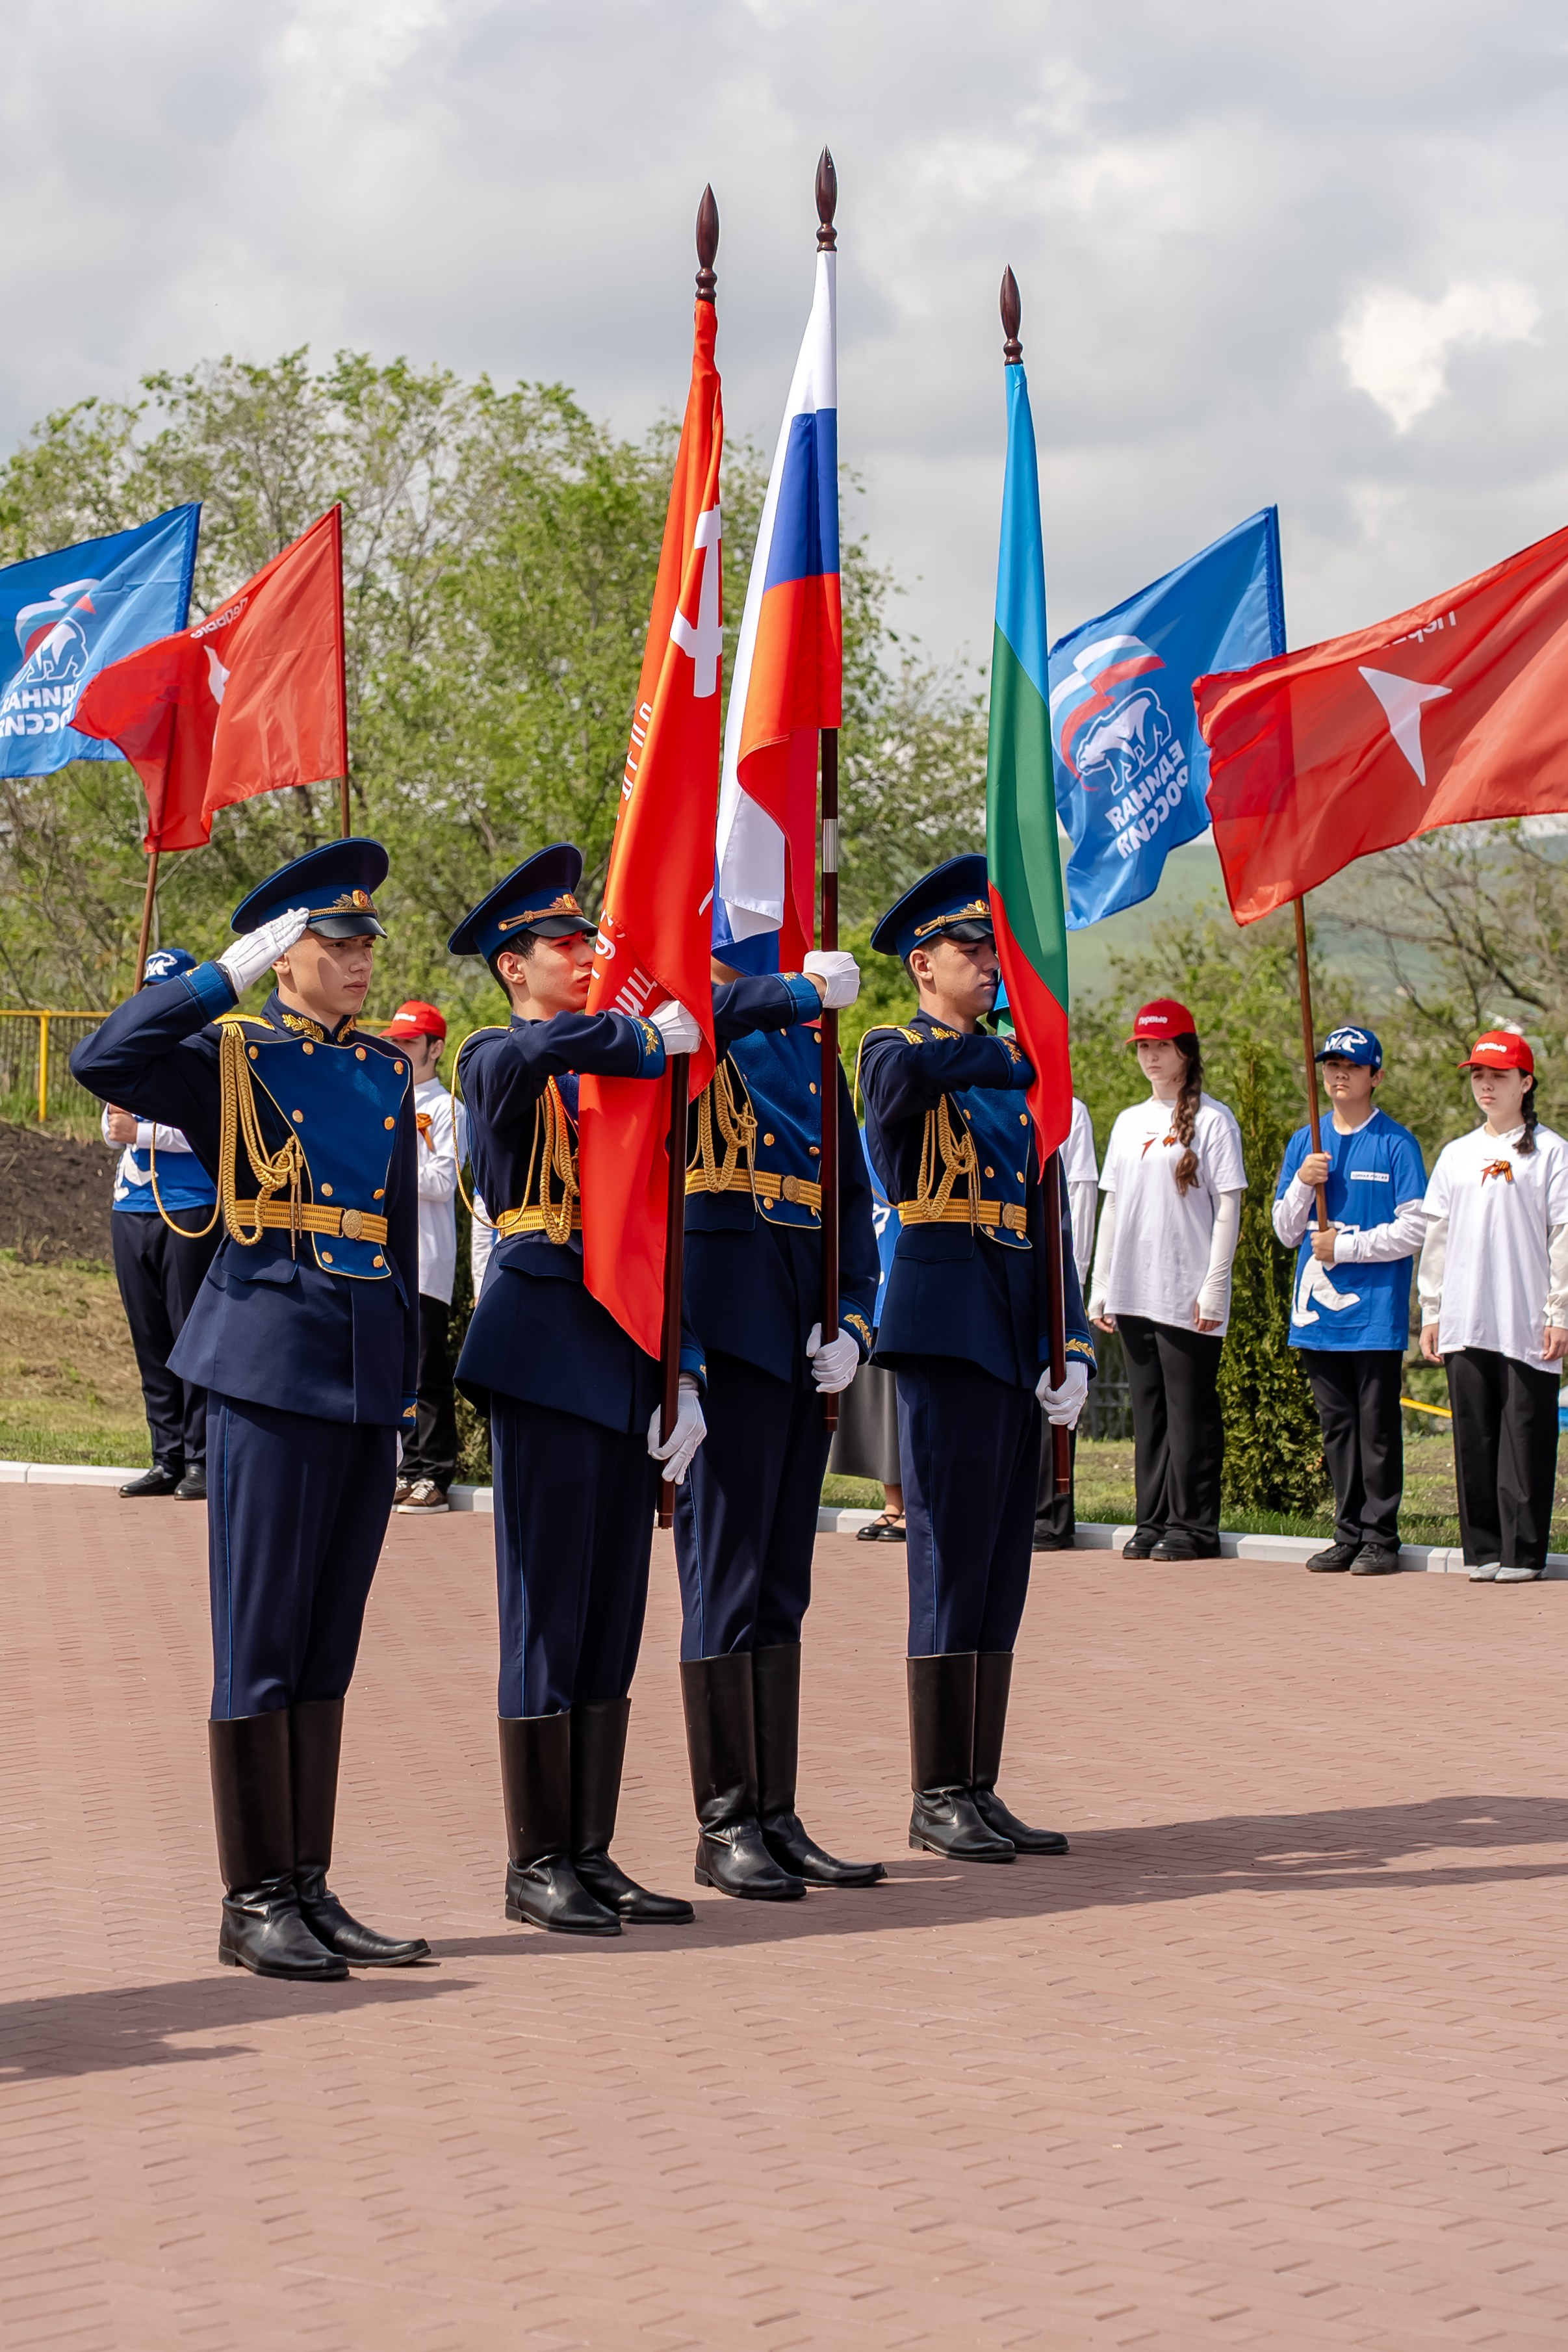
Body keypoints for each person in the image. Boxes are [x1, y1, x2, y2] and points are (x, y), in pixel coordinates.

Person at [71, 841, 429, 1982]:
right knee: (262, 1638)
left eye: (368, 940)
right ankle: (253, 1896)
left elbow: (395, 1236)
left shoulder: (379, 1068)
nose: (361, 958)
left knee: (326, 1642)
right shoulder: (229, 1055)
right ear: (285, 957)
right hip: (270, 1370)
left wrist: (407, 1375)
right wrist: (216, 979)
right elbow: (101, 1057)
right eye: (337, 941)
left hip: (363, 1375)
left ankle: (308, 1884)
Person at [449, 844, 706, 1939]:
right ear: (515, 965)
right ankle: (533, 1858)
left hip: (617, 1347)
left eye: (587, 939)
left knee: (608, 1611)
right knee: (545, 1609)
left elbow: (653, 1226)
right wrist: (649, 1037)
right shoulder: (494, 1053)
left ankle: (588, 1849)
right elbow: (543, 1049)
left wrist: (678, 1369)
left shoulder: (611, 1080)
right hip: (542, 1337)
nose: (586, 954)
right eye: (566, 943)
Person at [860, 855, 1094, 1866]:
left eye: (995, 951)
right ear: (923, 964)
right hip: (945, 1324)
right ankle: (933, 1790)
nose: (992, 965)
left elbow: (1048, 1218)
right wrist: (1020, 1055)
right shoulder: (894, 1048)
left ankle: (977, 1782)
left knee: (1002, 1563)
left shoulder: (1011, 1073)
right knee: (948, 1559)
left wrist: (1069, 1337)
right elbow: (902, 1086)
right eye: (972, 950)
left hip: (1009, 1329)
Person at [677, 941, 884, 1898]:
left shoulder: (811, 1051)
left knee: (779, 1587)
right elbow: (693, 1022)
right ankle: (724, 1822)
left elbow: (848, 1196)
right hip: (725, 1340)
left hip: (801, 1345)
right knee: (725, 1581)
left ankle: (774, 1810)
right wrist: (793, 989)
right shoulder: (690, 1036)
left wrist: (851, 1316)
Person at [1088, 999, 1245, 1562]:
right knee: (1147, 1408)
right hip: (1133, 1287)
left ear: (1185, 1050)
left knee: (1189, 1409)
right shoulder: (1129, 1122)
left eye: (1160, 1046)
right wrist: (1101, 1283)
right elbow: (1111, 1208)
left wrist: (1215, 1284)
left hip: (1186, 1288)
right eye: (1143, 1047)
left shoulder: (1213, 1120)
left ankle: (1193, 1525)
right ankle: (1150, 1519)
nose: (1150, 1056)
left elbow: (1229, 1206)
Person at [1272, 1024, 1427, 1575]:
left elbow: (1414, 1229)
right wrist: (1301, 1183)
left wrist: (1349, 1246)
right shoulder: (1304, 1141)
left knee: (1376, 1425)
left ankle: (1380, 1536)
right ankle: (1346, 1531)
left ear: (1374, 1075)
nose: (1338, 1073)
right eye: (1330, 1064)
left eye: (1351, 1065)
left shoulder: (1395, 1143)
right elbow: (1285, 1231)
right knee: (1337, 1427)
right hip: (1316, 1315)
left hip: (1375, 1313)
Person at [1418, 1029, 1568, 1584]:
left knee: (1525, 1435)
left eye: (1498, 1076)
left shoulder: (1551, 1152)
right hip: (1464, 1317)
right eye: (1478, 1074)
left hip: (1527, 1318)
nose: (1485, 1084)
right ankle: (1481, 1550)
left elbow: (1563, 1236)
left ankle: (1523, 1552)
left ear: (1525, 1083)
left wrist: (1560, 1312)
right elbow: (1436, 1234)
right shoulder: (1457, 1154)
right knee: (1474, 1435)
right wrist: (1431, 1309)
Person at [103, 947, 222, 1501]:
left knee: (187, 1333)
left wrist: (141, 1132)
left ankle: (199, 1457)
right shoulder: (133, 1051)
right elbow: (111, 1127)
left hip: (191, 1204)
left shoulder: (207, 1052)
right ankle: (165, 1454)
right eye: (151, 990)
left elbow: (202, 1130)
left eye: (167, 990)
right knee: (149, 1335)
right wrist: (124, 1128)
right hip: (133, 1204)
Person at [380, 999, 463, 1512]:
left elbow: (443, 1179)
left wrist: (399, 1152)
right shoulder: (383, 1102)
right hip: (385, 1258)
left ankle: (432, 1471)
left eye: (410, 1043)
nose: (400, 1051)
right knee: (393, 1369)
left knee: (426, 1372)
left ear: (435, 1048)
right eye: (395, 1042)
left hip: (427, 1259)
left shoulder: (448, 1108)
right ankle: (402, 1468)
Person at [830, 1147, 906, 1541]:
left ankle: (916, 1501)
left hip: (906, 1287)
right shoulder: (856, 1141)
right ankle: (893, 1503)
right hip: (867, 1294)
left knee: (906, 1408)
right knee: (881, 1413)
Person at [1034, 1093, 1098, 1551]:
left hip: (1056, 1272)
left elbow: (1079, 1193)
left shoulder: (1066, 1106)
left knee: (1057, 1391)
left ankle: (1053, 1515)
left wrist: (1069, 1275)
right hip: (1011, 1268)